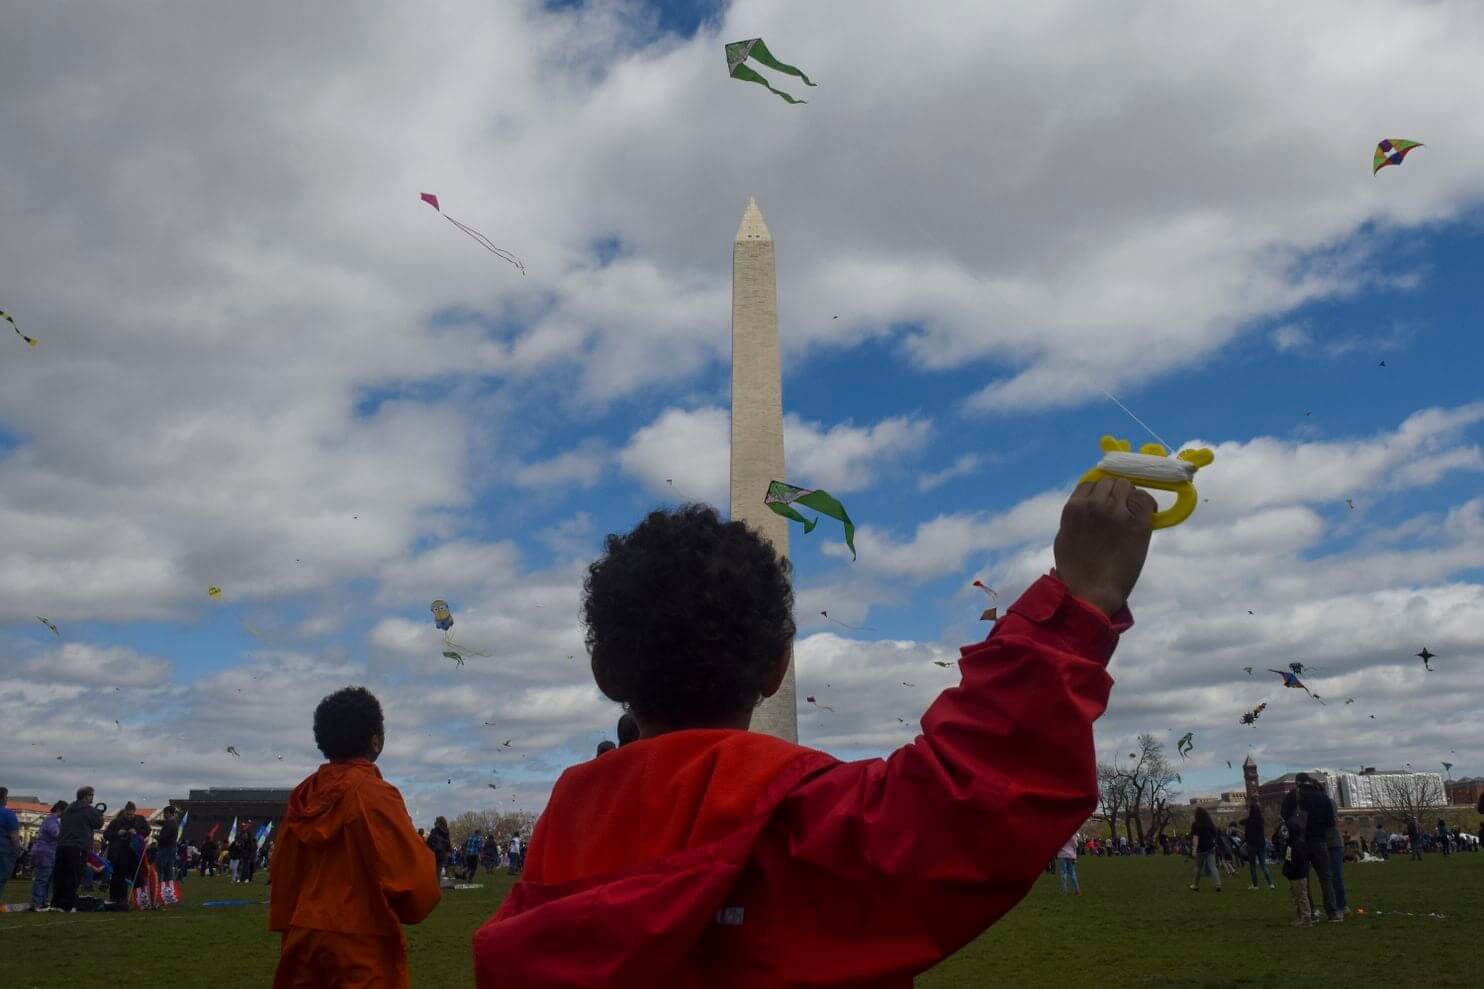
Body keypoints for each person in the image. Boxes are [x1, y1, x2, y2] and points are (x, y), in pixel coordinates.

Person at [472, 479, 1155, 985]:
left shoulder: (553, 853)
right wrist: (1078, 604)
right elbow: (984, 792)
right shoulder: (814, 824)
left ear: (604, 668)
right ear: (777, 667)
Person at [270, 686, 441, 988]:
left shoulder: (303, 797)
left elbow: (284, 873)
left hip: (301, 940)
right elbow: (417, 885)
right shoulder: (373, 794)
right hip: (360, 947)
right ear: (375, 739)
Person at [1280, 775, 1339, 922]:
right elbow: (1330, 822)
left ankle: (1310, 912)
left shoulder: (1292, 797)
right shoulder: (1322, 797)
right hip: (1319, 841)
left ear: (1297, 783)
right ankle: (1332, 913)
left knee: (1303, 879)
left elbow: (1284, 816)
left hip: (1299, 843)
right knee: (1326, 878)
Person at [53, 787, 104, 913]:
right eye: (91, 795)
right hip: (78, 846)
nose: (92, 798)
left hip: (62, 845)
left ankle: (57, 902)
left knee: (60, 875)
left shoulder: (68, 808)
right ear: (86, 796)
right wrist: (100, 815)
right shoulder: (89, 810)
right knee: (74, 876)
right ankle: (68, 904)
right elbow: (98, 824)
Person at [28, 800, 66, 911]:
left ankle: (43, 901)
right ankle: (37, 902)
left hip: (48, 852)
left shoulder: (53, 820)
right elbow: (56, 834)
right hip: (45, 852)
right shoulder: (51, 820)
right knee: (42, 878)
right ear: (59, 809)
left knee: (47, 878)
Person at [103, 802, 141, 906]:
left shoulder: (139, 821)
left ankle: (124, 899)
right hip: (117, 853)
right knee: (117, 876)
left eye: (131, 814)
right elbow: (106, 835)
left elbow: (146, 831)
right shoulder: (116, 822)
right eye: (128, 814)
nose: (130, 816)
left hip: (132, 854)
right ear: (125, 812)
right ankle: (115, 898)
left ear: (134, 812)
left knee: (127, 877)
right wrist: (117, 834)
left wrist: (137, 832)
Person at [1280, 818, 1313, 927]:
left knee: (1302, 897)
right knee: (1297, 897)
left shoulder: (1297, 845)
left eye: (1286, 830)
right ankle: (1301, 917)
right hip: (1293, 875)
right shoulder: (1290, 844)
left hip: (1298, 875)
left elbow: (1299, 861)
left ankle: (1306, 918)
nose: (1283, 833)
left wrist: (1291, 870)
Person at [1241, 801, 1274, 890]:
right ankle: (1271, 884)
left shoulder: (1248, 820)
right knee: (1263, 865)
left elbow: (1241, 822)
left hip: (1251, 845)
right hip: (1261, 844)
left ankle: (1255, 885)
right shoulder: (1261, 820)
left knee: (1253, 866)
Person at [1189, 807, 1221, 892]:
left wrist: (1194, 849)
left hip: (1200, 848)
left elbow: (1195, 837)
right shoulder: (1209, 823)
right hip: (1210, 847)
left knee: (1198, 867)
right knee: (1213, 867)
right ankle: (1217, 884)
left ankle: (1195, 885)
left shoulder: (1195, 824)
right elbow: (1215, 834)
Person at [0, 787, 20, 902]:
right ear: (2, 799)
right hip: (4, 849)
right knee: (1, 877)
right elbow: (14, 836)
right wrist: (17, 850)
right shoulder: (8, 814)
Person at [155, 806, 180, 882]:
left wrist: (156, 837)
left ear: (168, 813)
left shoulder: (170, 823)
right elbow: (164, 822)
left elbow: (164, 837)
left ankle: (166, 883)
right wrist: (156, 821)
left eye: (165, 813)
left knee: (164, 867)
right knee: (168, 867)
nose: (164, 815)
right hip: (170, 848)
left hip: (166, 848)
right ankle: (169, 884)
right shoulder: (172, 822)